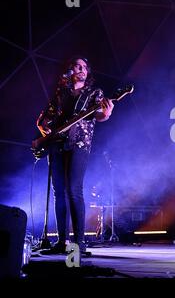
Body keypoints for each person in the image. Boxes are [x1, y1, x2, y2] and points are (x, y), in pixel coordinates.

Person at [35, 56, 114, 255]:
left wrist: (106, 113)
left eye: (84, 67)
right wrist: (46, 134)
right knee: (58, 192)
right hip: (57, 146)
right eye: (77, 66)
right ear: (69, 71)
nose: (81, 69)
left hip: (79, 144)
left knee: (73, 189)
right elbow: (44, 121)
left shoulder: (94, 93)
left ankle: (79, 243)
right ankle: (63, 241)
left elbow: (99, 116)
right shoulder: (61, 93)